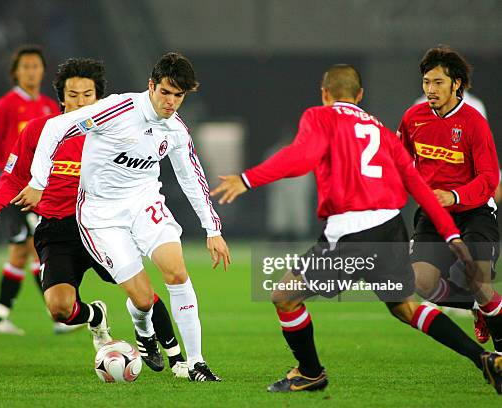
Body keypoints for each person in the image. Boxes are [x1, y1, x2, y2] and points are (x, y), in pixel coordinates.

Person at [211, 64, 502, 394]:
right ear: (360, 96)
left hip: (352, 232)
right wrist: (450, 234)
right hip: (391, 228)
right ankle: (484, 358)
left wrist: (248, 179)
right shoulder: (378, 128)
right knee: (406, 307)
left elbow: (302, 157)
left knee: (284, 296)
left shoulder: (321, 117)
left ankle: (310, 373)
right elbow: (417, 185)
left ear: (324, 94)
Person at [13, 52, 230, 382]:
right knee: (143, 299)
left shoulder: (175, 130)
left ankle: (197, 363)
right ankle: (144, 333)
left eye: (179, 96)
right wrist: (38, 183)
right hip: (101, 216)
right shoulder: (118, 109)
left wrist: (212, 229)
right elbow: (55, 129)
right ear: (151, 86)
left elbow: (191, 178)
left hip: (144, 205)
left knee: (176, 270)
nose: (171, 102)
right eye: (166, 92)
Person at [0, 57, 188, 377]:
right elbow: (13, 178)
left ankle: (178, 357)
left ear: (98, 100)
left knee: (141, 293)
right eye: (73, 95)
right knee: (59, 308)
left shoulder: (112, 132)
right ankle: (95, 317)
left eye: (88, 95)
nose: (80, 102)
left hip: (100, 224)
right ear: (61, 98)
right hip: (57, 229)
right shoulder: (39, 133)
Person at [397, 46, 502, 351]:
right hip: (434, 213)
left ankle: (498, 353)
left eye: (438, 82)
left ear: (457, 83)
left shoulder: (473, 121)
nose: (431, 89)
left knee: (479, 280)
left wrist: (453, 195)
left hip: (475, 210)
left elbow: (488, 178)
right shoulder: (413, 118)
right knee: (420, 282)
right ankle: (478, 306)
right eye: (427, 82)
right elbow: (399, 163)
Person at [0, 45, 61, 334]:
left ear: (43, 71)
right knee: (33, 249)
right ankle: (58, 312)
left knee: (22, 252)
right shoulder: (5, 106)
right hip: (16, 189)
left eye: (36, 66)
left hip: (43, 189)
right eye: (25, 66)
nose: (31, 71)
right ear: (16, 72)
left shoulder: (49, 106)